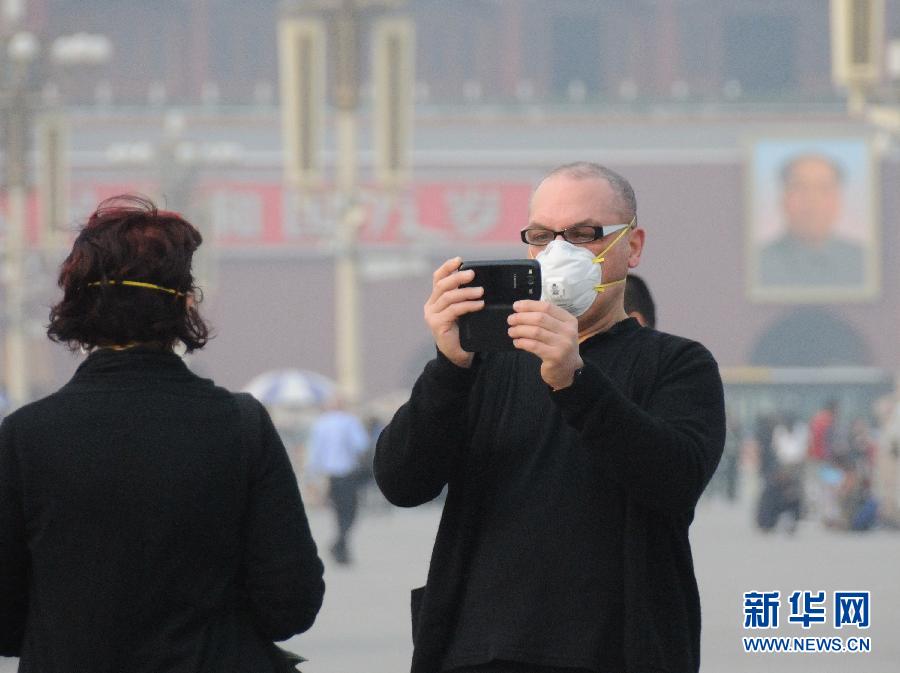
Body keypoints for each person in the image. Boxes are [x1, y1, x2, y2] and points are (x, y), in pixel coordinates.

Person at [375, 163, 725, 673]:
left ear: (632, 246)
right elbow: (401, 480)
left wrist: (574, 380)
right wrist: (449, 366)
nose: (559, 252)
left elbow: (674, 479)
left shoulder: (677, 363)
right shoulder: (491, 360)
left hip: (614, 649)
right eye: (541, 236)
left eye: (585, 235)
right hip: (477, 648)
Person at [0, 196, 324, 671]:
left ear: (78, 303)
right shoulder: (240, 426)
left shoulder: (24, 437)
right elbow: (290, 602)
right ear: (184, 304)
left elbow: (5, 618)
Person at [758, 154, 866, 288]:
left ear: (839, 201)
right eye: (799, 188)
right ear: (782, 199)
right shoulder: (758, 262)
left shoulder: (864, 260)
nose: (812, 201)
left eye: (824, 189)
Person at [307, 397, 370, 565]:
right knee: (350, 513)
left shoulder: (321, 423)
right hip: (347, 473)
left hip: (330, 476)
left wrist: (313, 475)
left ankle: (341, 547)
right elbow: (361, 444)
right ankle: (339, 544)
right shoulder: (350, 421)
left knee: (338, 513)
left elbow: (315, 452)